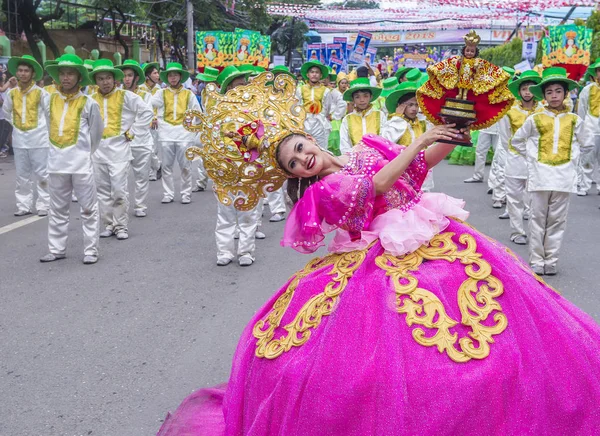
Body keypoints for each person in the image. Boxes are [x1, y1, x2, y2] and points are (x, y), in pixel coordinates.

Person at [157, 76, 600, 434]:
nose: (302, 160)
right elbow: (380, 186)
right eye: (292, 164)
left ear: (307, 139)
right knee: (380, 354)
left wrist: (455, 127)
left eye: (299, 148)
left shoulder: (364, 149)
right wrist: (420, 138)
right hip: (372, 256)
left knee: (497, 327)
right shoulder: (323, 193)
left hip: (428, 234)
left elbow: (422, 166)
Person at [511, 67, 590, 276]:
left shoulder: (574, 120)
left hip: (564, 178)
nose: (554, 96)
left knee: (557, 221)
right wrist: (532, 159)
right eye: (549, 92)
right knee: (537, 219)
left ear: (565, 94)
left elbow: (588, 143)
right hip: (540, 177)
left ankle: (551, 260)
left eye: (558, 91)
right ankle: (537, 260)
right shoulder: (535, 119)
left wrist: (574, 159)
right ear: (543, 96)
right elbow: (517, 140)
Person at [40, 54, 103, 264]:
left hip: (81, 164)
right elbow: (49, 127)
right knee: (57, 208)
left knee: (87, 208)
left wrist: (84, 153)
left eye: (70, 74)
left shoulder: (88, 103)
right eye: (62, 74)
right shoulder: (49, 100)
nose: (65, 78)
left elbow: (96, 135)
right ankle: (57, 249)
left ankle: (91, 250)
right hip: (56, 163)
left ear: (79, 77)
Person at [88, 59, 153, 240]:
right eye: (100, 79)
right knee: (102, 191)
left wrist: (132, 132)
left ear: (114, 79)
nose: (105, 82)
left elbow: (147, 112)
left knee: (118, 190)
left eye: (108, 78)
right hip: (98, 151)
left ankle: (121, 225)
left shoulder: (126, 96)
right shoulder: (90, 100)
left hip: (119, 150)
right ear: (96, 81)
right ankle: (108, 224)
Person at [497, 70, 543, 245]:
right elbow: (505, 137)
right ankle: (517, 231)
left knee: (534, 200)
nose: (527, 92)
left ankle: (534, 233)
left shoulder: (542, 111)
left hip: (538, 161)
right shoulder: (509, 112)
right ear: (519, 91)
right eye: (524, 88)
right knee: (514, 199)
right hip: (515, 160)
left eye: (531, 88)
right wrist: (517, 153)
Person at [3, 55, 50, 217]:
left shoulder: (41, 93)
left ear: (32, 73)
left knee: (43, 174)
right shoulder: (11, 94)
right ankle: (24, 205)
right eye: (20, 70)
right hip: (19, 141)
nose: (23, 74)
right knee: (22, 175)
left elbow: (50, 116)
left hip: (40, 140)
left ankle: (44, 204)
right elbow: (7, 113)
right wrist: (18, 127)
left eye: (26, 71)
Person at [151, 62, 201, 204]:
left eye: (175, 75)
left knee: (185, 165)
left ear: (180, 77)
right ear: (167, 78)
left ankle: (186, 194)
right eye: (170, 75)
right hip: (166, 134)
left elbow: (197, 112)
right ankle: (168, 194)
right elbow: (149, 106)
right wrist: (153, 117)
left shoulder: (188, 94)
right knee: (166, 165)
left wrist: (195, 130)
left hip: (184, 134)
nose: (173, 78)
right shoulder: (161, 93)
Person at [116, 59, 154, 218]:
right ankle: (121, 208)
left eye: (130, 75)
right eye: (124, 75)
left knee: (141, 176)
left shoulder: (146, 95)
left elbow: (147, 116)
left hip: (141, 141)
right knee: (119, 178)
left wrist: (133, 131)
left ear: (136, 77)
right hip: (121, 143)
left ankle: (140, 205)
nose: (126, 79)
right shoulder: (116, 95)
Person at [381, 81, 435, 192]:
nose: (414, 109)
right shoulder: (394, 123)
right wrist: (398, 118)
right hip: (402, 172)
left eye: (416, 105)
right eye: (410, 105)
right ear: (401, 107)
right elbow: (387, 140)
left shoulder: (423, 123)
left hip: (422, 171)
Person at [339, 78, 386, 154]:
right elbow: (344, 144)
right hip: (355, 159)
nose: (362, 100)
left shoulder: (379, 115)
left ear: (371, 97)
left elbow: (384, 138)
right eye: (357, 97)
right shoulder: (347, 119)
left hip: (378, 158)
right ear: (353, 99)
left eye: (365, 96)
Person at [576, 57, 600, 196]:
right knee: (587, 160)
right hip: (591, 129)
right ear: (596, 73)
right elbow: (582, 110)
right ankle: (584, 186)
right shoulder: (587, 89)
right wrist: (582, 130)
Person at [296, 60, 332, 149]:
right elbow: (298, 106)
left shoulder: (326, 90)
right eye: (312, 72)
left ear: (320, 75)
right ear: (308, 75)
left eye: (317, 72)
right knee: (303, 146)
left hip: (319, 121)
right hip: (304, 121)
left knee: (321, 147)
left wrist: (321, 116)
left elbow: (327, 107)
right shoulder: (300, 89)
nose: (314, 74)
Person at [140, 62, 162, 181]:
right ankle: (157, 166)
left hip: (156, 122)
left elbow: (160, 106)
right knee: (147, 148)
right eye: (155, 73)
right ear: (148, 76)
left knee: (154, 148)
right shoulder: (141, 89)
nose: (157, 75)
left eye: (157, 73)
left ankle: (153, 172)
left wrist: (156, 118)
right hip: (143, 122)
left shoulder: (159, 89)